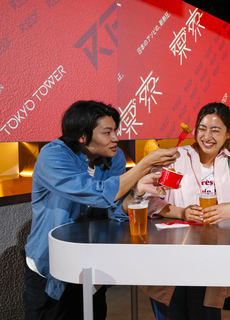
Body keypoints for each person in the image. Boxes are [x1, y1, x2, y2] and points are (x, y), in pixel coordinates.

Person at [23, 100, 177, 320]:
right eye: (107, 132)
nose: (115, 138)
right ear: (82, 136)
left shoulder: (115, 158)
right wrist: (143, 165)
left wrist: (137, 192)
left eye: (115, 130)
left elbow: (115, 210)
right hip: (51, 266)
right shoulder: (53, 156)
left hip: (91, 264)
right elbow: (97, 193)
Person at [142, 102, 230, 320]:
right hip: (173, 257)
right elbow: (151, 200)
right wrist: (181, 212)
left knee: (205, 313)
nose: (207, 136)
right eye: (202, 128)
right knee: (172, 311)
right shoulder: (176, 158)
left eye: (216, 130)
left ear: (228, 134)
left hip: (211, 260)